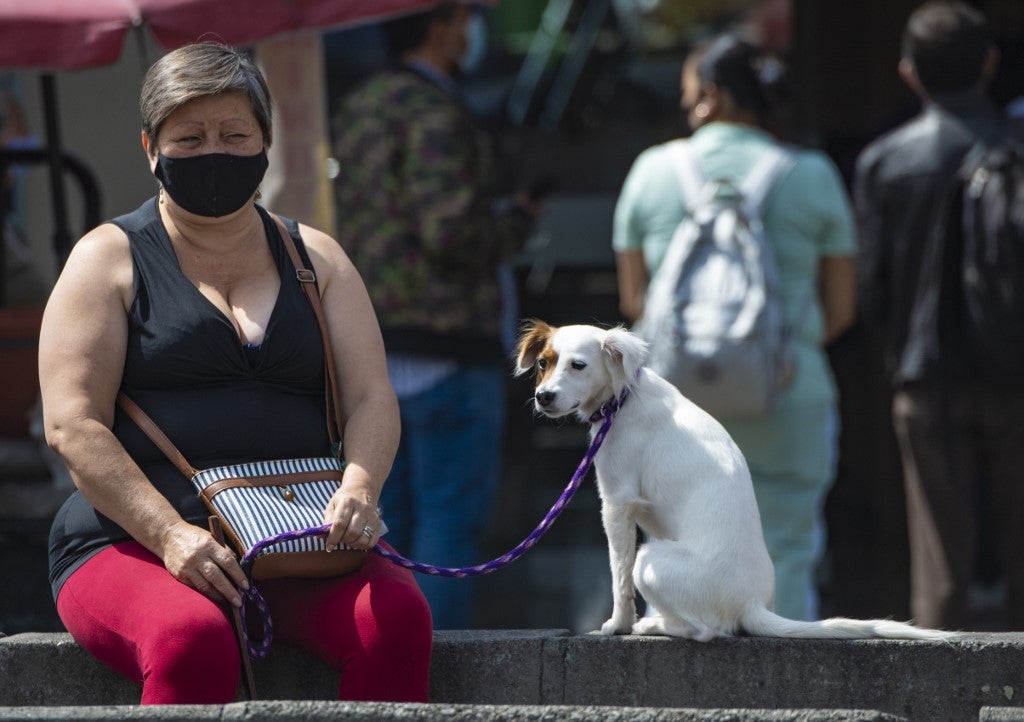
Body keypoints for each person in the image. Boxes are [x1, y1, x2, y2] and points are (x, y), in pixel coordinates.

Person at [40, 42, 432, 705]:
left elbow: (371, 397)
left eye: (233, 134)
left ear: (266, 140)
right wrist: (170, 534)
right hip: (132, 542)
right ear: (150, 148)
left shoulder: (319, 259)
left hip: (299, 540)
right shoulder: (106, 260)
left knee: (395, 620)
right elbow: (71, 423)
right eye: (189, 138)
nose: (214, 151)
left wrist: (361, 486)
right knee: (188, 637)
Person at [612, 34, 857, 622]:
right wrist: (763, 359)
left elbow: (633, 300)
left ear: (710, 97)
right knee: (788, 552)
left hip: (674, 410)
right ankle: (795, 698)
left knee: (676, 552)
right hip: (789, 395)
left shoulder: (651, 171)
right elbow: (842, 308)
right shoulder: (814, 174)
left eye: (686, 92)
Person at [330, 2, 540, 629]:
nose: (473, 31)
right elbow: (449, 233)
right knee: (450, 520)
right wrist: (517, 222)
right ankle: (439, 673)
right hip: (449, 343)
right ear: (442, 26)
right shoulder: (435, 110)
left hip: (371, 347)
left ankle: (382, 655)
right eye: (467, 17)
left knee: (381, 524)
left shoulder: (359, 105)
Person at [854, 1, 1024, 631]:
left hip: (928, 380)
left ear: (908, 73)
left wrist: (900, 353)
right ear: (989, 63)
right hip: (1018, 378)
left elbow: (872, 293)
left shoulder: (885, 162)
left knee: (939, 566)